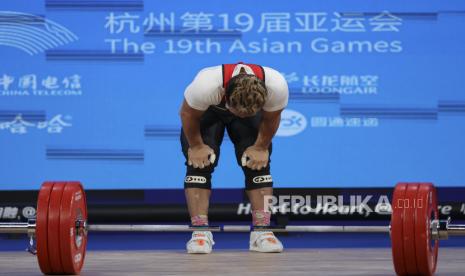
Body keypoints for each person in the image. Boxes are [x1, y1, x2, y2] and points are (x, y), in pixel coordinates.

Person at [179, 62, 289, 254]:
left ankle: (262, 232)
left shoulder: (276, 86)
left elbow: (271, 118)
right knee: (199, 164)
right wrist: (196, 146)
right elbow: (188, 113)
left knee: (257, 165)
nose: (241, 114)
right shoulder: (206, 86)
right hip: (208, 112)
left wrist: (261, 147)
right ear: (224, 96)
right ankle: (200, 232)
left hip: (245, 113)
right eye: (237, 110)